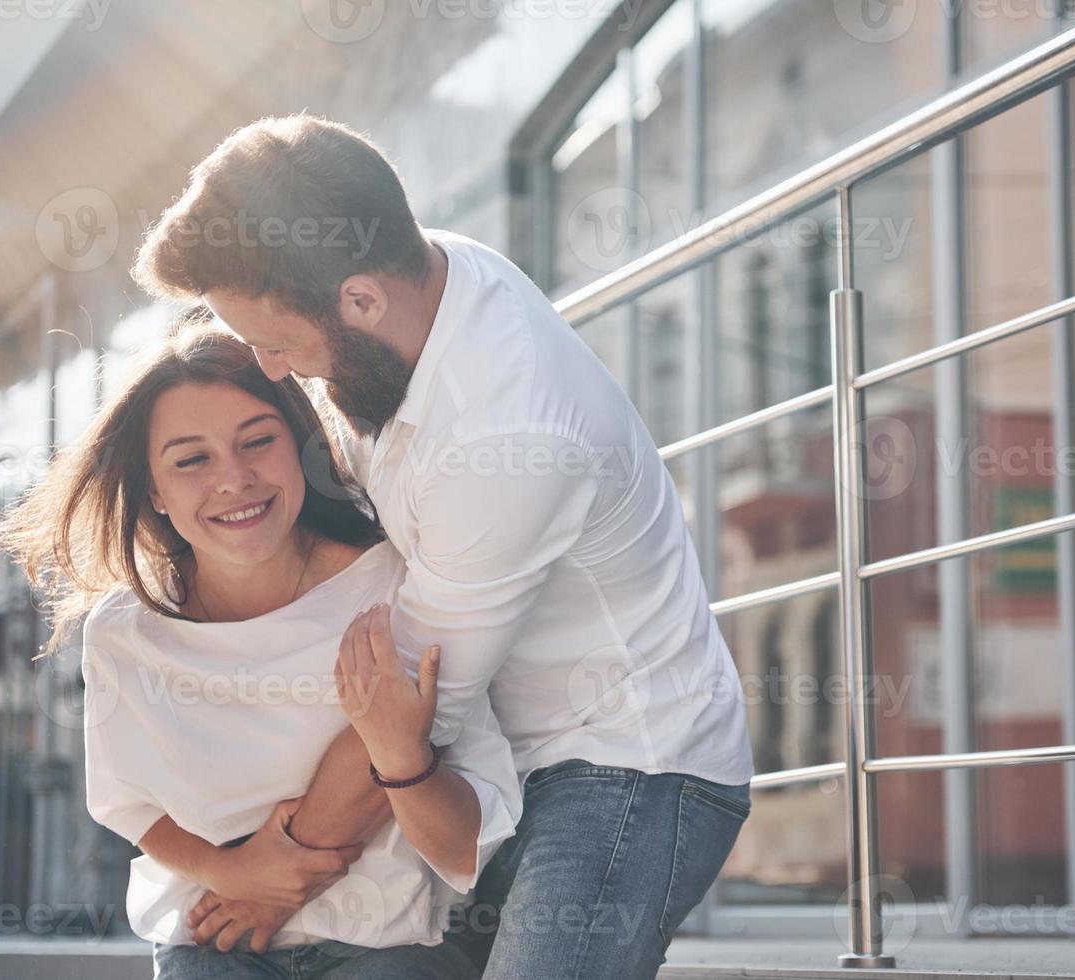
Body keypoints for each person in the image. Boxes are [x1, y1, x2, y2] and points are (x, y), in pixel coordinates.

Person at [131, 114, 756, 979]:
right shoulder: (412, 283)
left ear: (359, 300)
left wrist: (273, 875)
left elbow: (414, 692)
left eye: (276, 344)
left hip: (622, 765)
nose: (272, 370)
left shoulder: (509, 435)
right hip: (488, 766)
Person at [0, 324, 519, 979]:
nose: (235, 479)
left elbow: (468, 843)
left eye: (257, 441)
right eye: (190, 459)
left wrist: (398, 762)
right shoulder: (123, 631)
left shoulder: (396, 590)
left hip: (391, 944)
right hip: (212, 941)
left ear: (303, 448)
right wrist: (236, 872)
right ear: (154, 492)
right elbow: (133, 809)